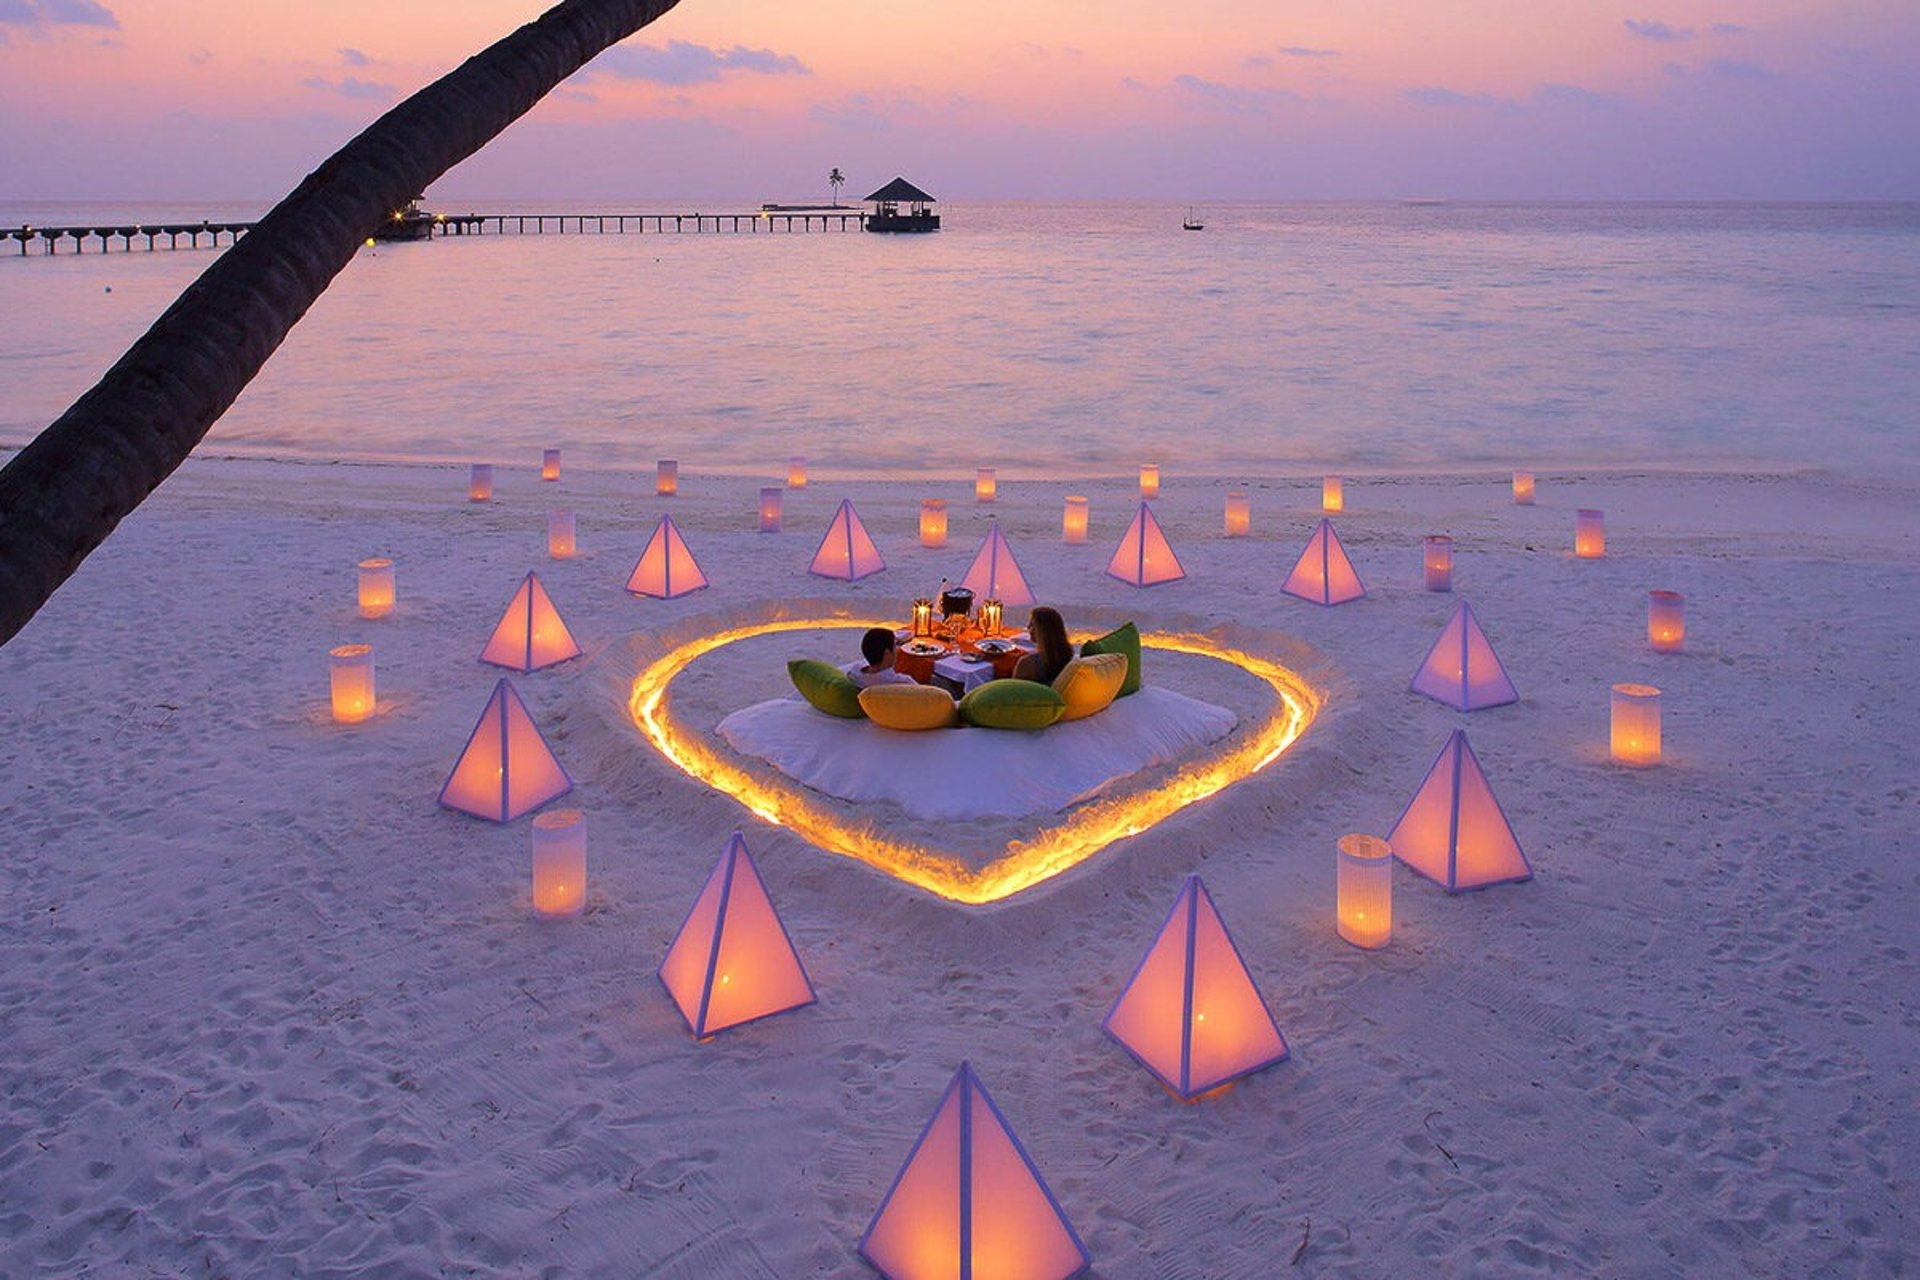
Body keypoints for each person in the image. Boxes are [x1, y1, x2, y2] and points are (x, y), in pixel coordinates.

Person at [1012, 606, 1074, 685]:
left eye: (1032, 624)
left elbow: (1013, 691)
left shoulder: (1027, 663)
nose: (1028, 627)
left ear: (1041, 631)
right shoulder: (1069, 657)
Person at [843, 626, 917, 690]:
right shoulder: (903, 682)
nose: (897, 650)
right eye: (895, 646)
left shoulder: (855, 674)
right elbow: (926, 696)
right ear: (887, 653)